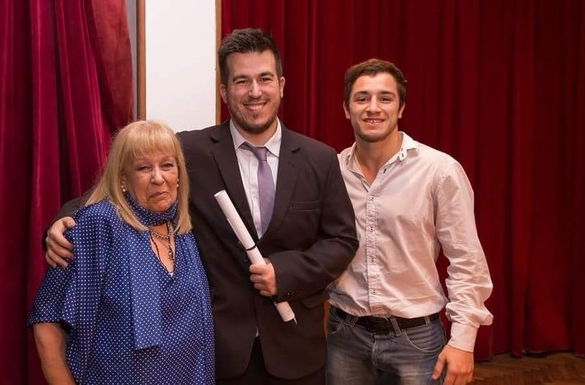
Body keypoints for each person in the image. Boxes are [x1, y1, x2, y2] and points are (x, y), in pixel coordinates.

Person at [45, 28, 359, 384]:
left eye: (264, 79)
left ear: (282, 85)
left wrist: (284, 272)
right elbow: (121, 188)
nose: (254, 92)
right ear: (225, 91)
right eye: (241, 81)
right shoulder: (191, 152)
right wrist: (64, 218)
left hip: (297, 351)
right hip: (216, 353)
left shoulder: (320, 159)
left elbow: (342, 241)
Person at [327, 58, 493, 385]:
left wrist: (463, 341)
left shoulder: (439, 171)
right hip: (345, 335)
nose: (373, 108)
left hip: (417, 340)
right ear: (346, 109)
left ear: (401, 108)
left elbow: (466, 260)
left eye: (385, 98)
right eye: (362, 98)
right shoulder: (330, 172)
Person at [28, 120, 215, 385]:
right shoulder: (99, 226)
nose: (158, 178)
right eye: (143, 168)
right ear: (123, 179)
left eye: (167, 165)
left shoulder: (181, 228)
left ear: (179, 173)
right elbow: (46, 321)